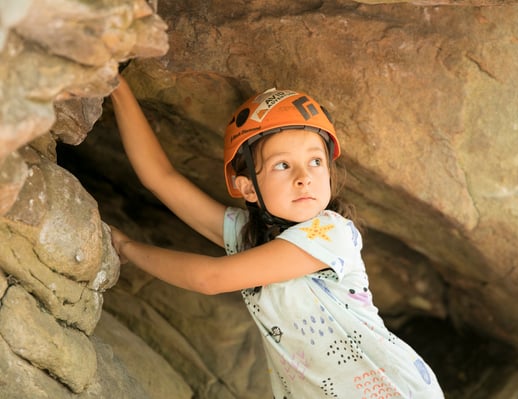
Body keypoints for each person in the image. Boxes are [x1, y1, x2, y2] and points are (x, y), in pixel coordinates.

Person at [109, 75, 444, 398]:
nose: (304, 178)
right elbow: (161, 178)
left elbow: (209, 279)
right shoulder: (250, 239)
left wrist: (127, 248)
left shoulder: (331, 232)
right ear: (247, 188)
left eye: (315, 161)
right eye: (282, 165)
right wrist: (118, 87)